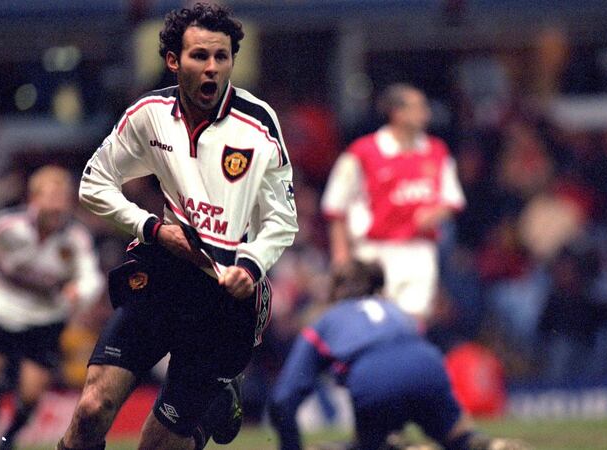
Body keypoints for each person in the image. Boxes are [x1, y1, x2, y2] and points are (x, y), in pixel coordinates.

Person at [58, 3, 298, 449]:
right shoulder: (149, 114)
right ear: (173, 61)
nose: (212, 68)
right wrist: (151, 228)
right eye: (199, 56)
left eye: (221, 57)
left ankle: (213, 403)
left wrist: (251, 266)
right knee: (91, 409)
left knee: (157, 445)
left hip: (226, 298)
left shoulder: (259, 123)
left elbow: (283, 219)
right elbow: (94, 185)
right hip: (165, 276)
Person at [268, 260, 526, 450]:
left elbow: (283, 399)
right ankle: (492, 446)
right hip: (428, 363)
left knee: (371, 445)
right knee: (457, 437)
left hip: (373, 376)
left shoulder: (324, 322)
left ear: (335, 293)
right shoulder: (394, 310)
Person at [0, 165, 104, 450]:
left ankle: (8, 437)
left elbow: (91, 277)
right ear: (33, 199)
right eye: (50, 197)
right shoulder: (7, 227)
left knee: (31, 395)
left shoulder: (76, 239)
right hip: (1, 310)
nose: (56, 205)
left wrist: (80, 293)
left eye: (62, 198)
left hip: (45, 318)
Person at [321, 83, 465, 321]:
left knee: (414, 325)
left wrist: (435, 214)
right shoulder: (362, 152)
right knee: (375, 323)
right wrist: (341, 257)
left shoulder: (437, 151)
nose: (425, 113)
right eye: (418, 107)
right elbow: (335, 207)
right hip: (374, 253)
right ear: (397, 113)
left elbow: (453, 200)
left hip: (419, 251)